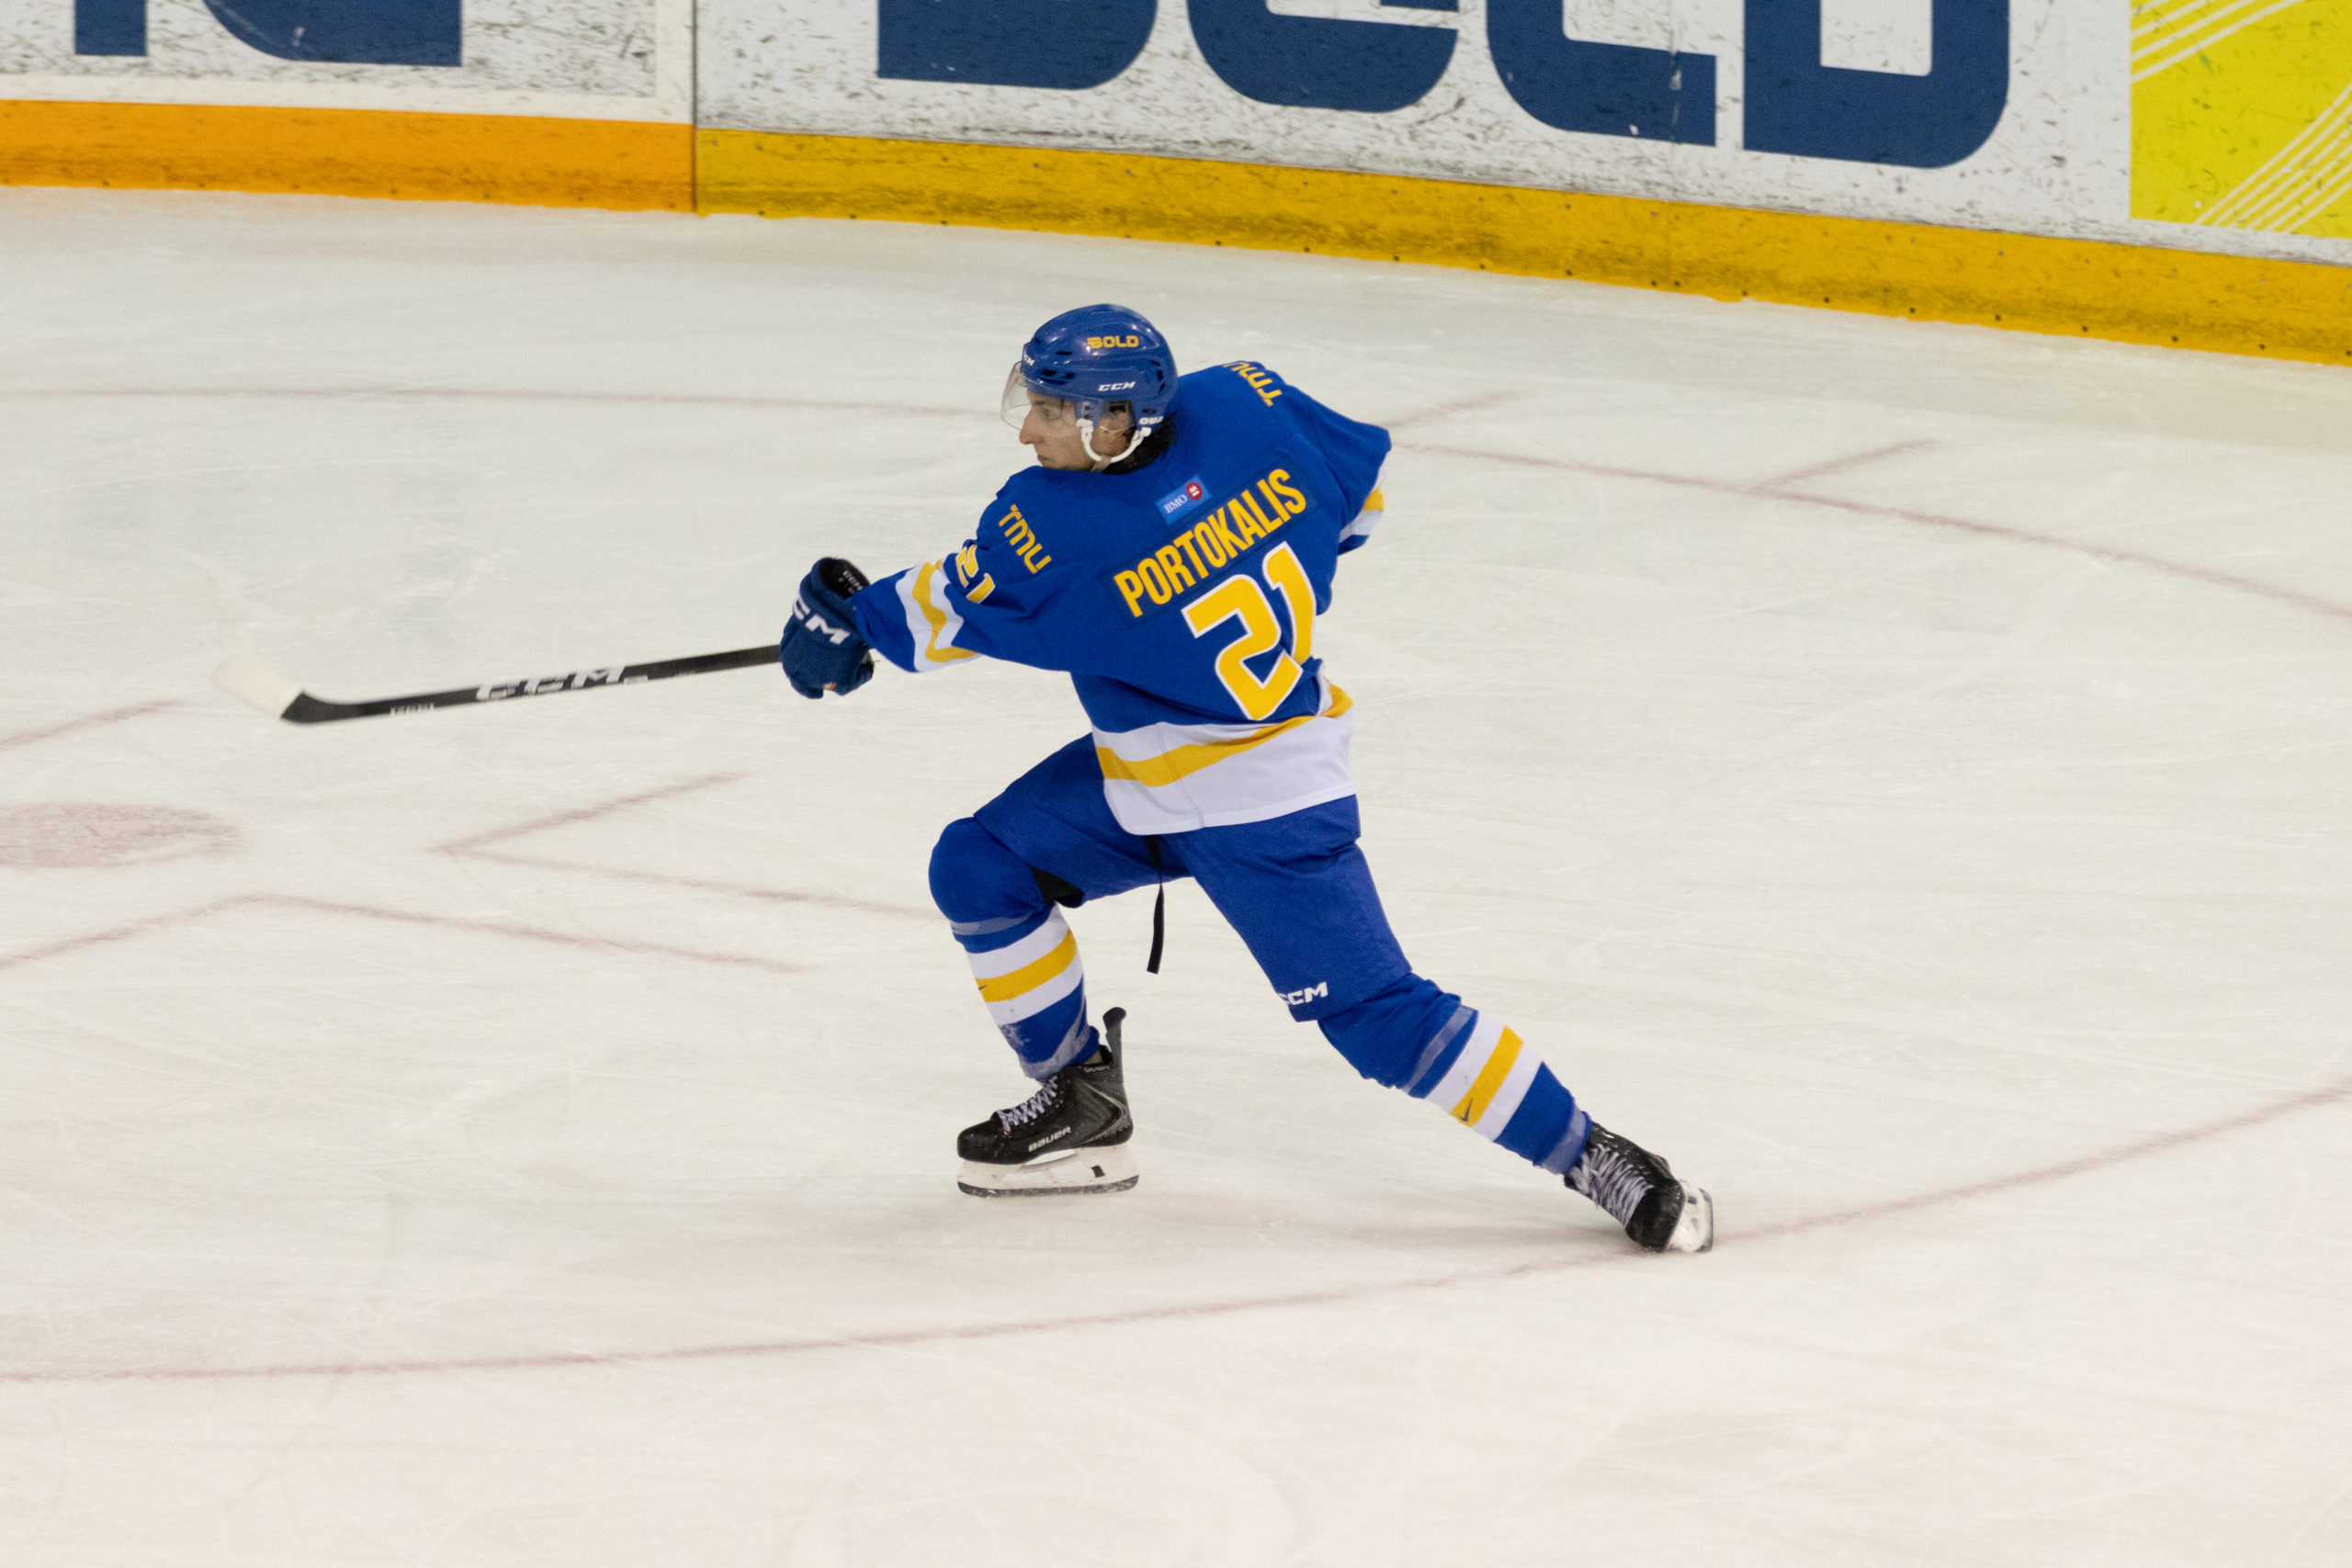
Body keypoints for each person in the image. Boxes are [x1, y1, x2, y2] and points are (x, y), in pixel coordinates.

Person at [777, 304, 1712, 1253]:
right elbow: (1359, 507)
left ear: (1113, 425)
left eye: (1052, 412)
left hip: (1260, 807)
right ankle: (1079, 1097)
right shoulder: (1247, 402)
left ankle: (1594, 1154)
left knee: (1377, 1016)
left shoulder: (1061, 532)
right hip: (1156, 769)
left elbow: (938, 616)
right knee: (978, 866)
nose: (1027, 429)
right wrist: (1231, 545)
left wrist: (845, 622)